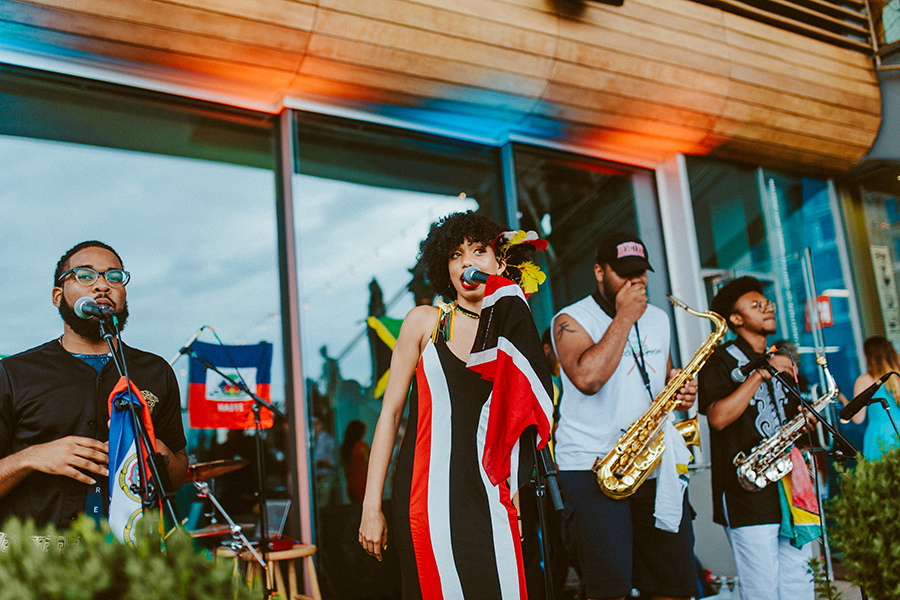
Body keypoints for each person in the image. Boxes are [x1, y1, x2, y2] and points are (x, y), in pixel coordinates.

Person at [358, 211, 548, 599]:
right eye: (456, 255)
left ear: (500, 261)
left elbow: (516, 425)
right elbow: (390, 415)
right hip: (427, 498)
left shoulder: (511, 334)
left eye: (479, 251)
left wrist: (516, 493)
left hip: (492, 495)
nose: (468, 263)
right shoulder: (425, 322)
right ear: (445, 268)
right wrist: (370, 506)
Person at [551, 232, 699, 600]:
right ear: (600, 272)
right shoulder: (569, 319)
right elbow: (589, 378)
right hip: (591, 466)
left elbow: (663, 376)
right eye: (624, 273)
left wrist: (681, 391)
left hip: (652, 463)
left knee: (674, 584)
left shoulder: (659, 318)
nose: (635, 282)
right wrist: (625, 316)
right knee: (610, 589)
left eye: (641, 272)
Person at [0, 240, 188, 530]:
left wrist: (159, 454)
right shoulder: (14, 374)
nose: (102, 286)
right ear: (57, 296)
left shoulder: (155, 371)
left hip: (129, 559)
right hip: (38, 562)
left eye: (114, 277)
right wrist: (31, 457)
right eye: (85, 275)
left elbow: (177, 471)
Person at [697, 276, 813, 600]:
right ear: (736, 319)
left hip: (791, 489)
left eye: (768, 303)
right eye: (756, 305)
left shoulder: (783, 359)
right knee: (762, 588)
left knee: (799, 584)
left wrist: (805, 422)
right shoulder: (718, 359)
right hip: (746, 493)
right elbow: (718, 417)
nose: (767, 308)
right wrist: (761, 372)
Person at [847, 335, 900, 460]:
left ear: (868, 357)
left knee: (883, 476)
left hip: (880, 436)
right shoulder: (897, 377)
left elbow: (857, 418)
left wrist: (844, 401)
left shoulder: (865, 381)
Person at [342, 419, 369, 504]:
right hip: (363, 482)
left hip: (351, 483)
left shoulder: (346, 448)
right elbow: (369, 464)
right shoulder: (361, 446)